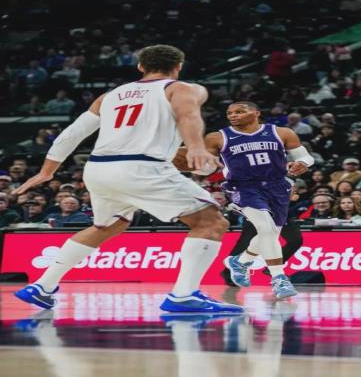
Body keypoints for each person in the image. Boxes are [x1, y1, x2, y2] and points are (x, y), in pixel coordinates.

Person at [13, 44, 242, 314]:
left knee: (107, 226)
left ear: (141, 67)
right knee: (211, 221)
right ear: (178, 67)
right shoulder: (180, 88)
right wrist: (195, 147)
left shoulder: (109, 96)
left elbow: (72, 133)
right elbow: (187, 115)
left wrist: (47, 171)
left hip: (98, 169)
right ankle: (184, 295)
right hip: (141, 167)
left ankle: (43, 286)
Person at [204, 102, 314, 298]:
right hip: (243, 186)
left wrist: (302, 163)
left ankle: (241, 261)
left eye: (240, 112)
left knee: (271, 232)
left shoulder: (281, 132)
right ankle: (279, 278)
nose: (233, 115)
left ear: (256, 113)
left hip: (277, 186)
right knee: (266, 229)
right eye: (230, 113)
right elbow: (203, 167)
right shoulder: (217, 137)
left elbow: (306, 157)